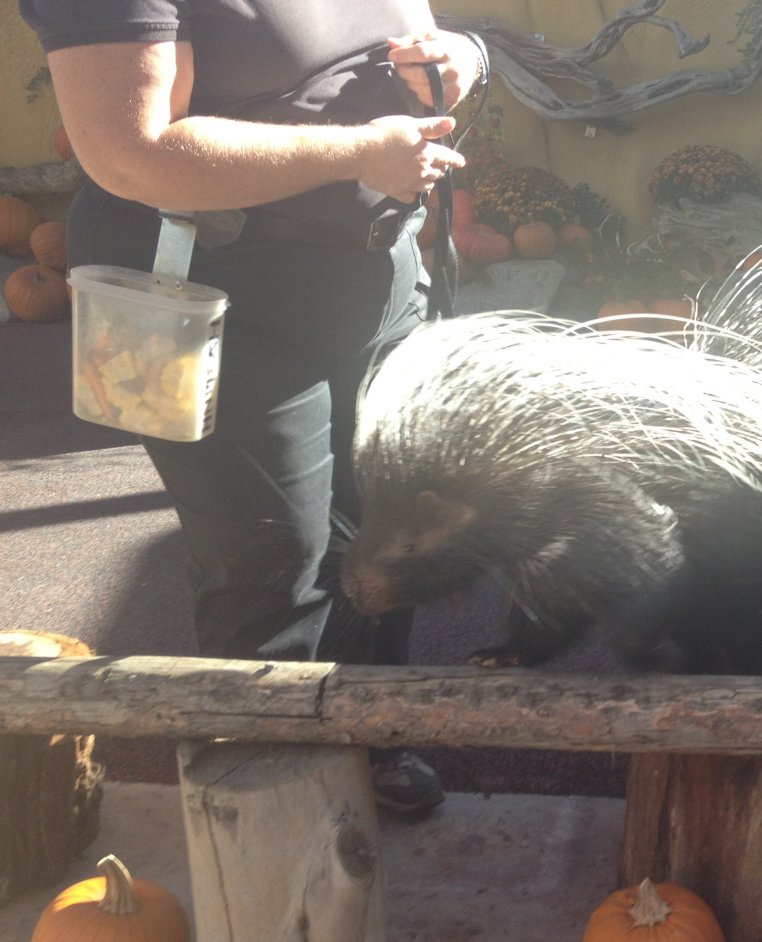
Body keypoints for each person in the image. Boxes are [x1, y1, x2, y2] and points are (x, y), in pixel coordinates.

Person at [20, 1, 490, 817]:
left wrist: (464, 59)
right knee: (274, 558)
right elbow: (132, 152)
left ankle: (372, 736)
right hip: (207, 293)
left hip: (376, 274)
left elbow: (408, 36)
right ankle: (267, 816)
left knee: (390, 522)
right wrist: (359, 154)